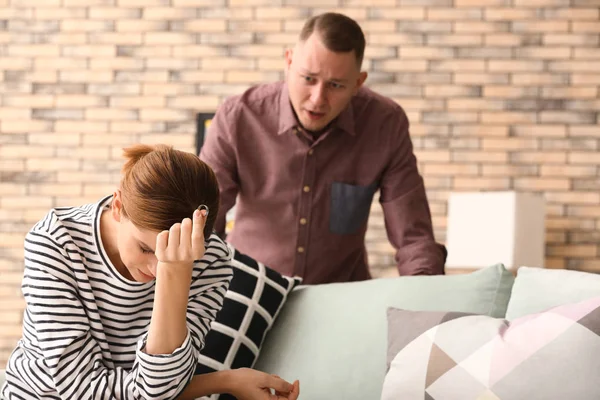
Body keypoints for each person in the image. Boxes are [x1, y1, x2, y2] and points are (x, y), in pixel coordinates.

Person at [2, 144, 299, 400]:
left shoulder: (209, 259)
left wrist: (179, 270)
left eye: (174, 257)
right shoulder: (56, 242)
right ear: (118, 207)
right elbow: (83, 392)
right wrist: (224, 381)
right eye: (146, 249)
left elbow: (161, 389)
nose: (156, 270)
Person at [200, 12, 447, 285]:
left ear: (358, 83)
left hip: (339, 297)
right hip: (249, 290)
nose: (318, 99)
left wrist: (428, 306)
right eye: (308, 79)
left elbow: (414, 238)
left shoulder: (385, 124)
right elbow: (204, 221)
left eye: (336, 85)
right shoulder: (238, 117)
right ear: (289, 61)